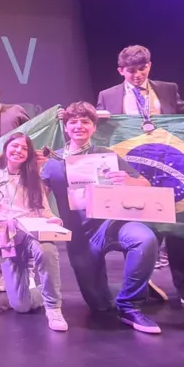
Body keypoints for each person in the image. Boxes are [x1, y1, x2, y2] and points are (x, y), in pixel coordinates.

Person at [96, 44, 184, 307]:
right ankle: (140, 284)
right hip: (133, 169)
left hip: (169, 167)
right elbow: (98, 130)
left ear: (149, 66)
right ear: (120, 71)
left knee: (176, 228)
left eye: (142, 69)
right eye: (131, 71)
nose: (137, 75)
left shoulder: (167, 89)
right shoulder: (107, 96)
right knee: (138, 226)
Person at [41, 102, 161, 334]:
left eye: (85, 122)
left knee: (144, 239)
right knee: (100, 305)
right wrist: (47, 216)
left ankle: (130, 305)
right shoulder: (53, 163)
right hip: (80, 237)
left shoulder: (107, 155)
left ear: (94, 127)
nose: (79, 126)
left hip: (113, 223)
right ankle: (137, 282)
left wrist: (126, 180)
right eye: (73, 122)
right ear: (66, 128)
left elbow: (144, 184)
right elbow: (37, 198)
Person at [0, 133, 69, 331]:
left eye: (24, 148)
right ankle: (38, 291)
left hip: (31, 232)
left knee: (46, 250)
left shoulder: (33, 179)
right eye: (14, 146)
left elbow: (44, 210)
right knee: (20, 306)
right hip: (7, 238)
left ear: (28, 154)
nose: (18, 150)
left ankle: (53, 307)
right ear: (6, 149)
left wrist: (53, 220)